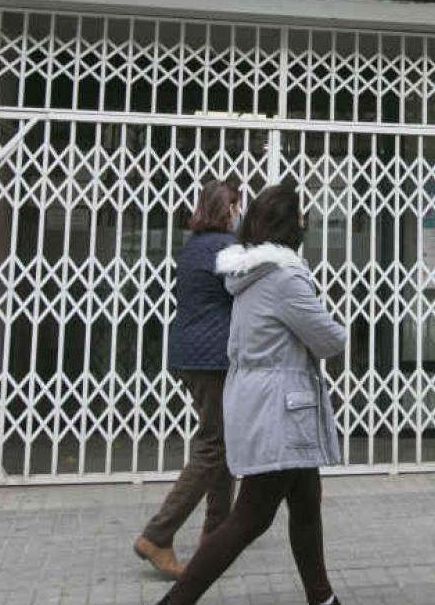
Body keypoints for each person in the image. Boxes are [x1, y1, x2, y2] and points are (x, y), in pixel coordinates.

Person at [156, 184, 346, 605]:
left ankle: (323, 597)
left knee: (306, 502)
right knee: (251, 517)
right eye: (300, 217)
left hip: (269, 401)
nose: (304, 223)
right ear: (288, 224)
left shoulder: (248, 274)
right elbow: (330, 341)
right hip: (280, 409)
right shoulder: (284, 278)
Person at [134, 179, 242, 579]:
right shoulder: (224, 248)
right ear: (225, 210)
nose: (238, 214)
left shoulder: (194, 245)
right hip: (212, 358)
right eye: (235, 207)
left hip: (191, 353)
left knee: (224, 441)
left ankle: (216, 534)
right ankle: (157, 535)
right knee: (213, 446)